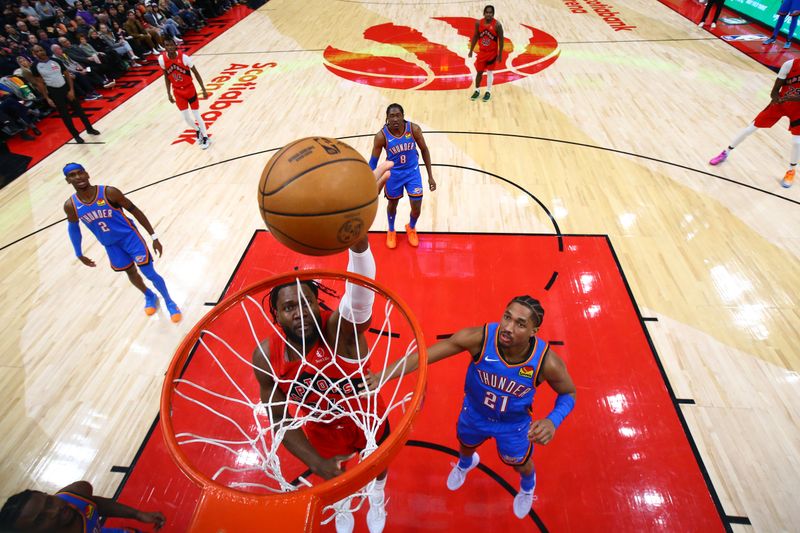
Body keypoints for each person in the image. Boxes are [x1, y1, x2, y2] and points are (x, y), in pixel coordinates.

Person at [252, 161, 393, 533]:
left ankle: (378, 495)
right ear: (276, 316)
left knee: (378, 465)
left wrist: (358, 241)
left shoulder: (338, 331)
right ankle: (344, 503)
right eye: (288, 306)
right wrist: (312, 459)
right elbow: (279, 412)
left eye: (306, 302)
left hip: (367, 416)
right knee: (334, 476)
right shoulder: (267, 356)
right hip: (322, 426)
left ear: (320, 305)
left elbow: (359, 300)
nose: (300, 312)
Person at [363, 296, 577, 519]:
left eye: (520, 324)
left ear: (534, 331)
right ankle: (465, 465)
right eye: (507, 317)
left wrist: (553, 420)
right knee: (465, 447)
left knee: (521, 465)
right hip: (475, 413)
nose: (508, 327)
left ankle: (527, 487)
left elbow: (569, 392)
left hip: (513, 426)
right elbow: (423, 357)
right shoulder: (479, 339)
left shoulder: (545, 362)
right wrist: (382, 376)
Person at [62, 163, 183, 322]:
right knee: (130, 272)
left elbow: (136, 211)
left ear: (87, 174)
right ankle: (149, 295)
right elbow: (74, 229)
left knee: (149, 273)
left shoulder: (109, 192)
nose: (78, 177)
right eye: (72, 175)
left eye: (80, 173)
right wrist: (78, 253)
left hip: (130, 239)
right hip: (111, 245)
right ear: (67, 180)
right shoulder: (71, 205)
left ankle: (169, 302)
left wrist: (154, 237)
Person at [709, 58, 800, 188]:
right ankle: (725, 152)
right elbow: (775, 89)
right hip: (781, 103)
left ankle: (791, 170)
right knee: (749, 129)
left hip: (798, 109)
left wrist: (791, 98)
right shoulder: (790, 64)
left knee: (797, 142)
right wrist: (775, 97)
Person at [368, 103, 435, 249]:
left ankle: (411, 227)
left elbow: (424, 150)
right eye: (392, 116)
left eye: (398, 115)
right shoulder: (381, 136)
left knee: (416, 207)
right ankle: (391, 230)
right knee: (392, 204)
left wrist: (430, 176)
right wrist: (367, 181)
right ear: (387, 118)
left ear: (403, 116)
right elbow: (373, 162)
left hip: (412, 172)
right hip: (394, 174)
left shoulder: (414, 129)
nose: (395, 119)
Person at [0, 480, 166, 532]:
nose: (55, 510)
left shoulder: (75, 495)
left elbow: (95, 504)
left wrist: (137, 514)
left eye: (49, 501)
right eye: (41, 519)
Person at [28, 44, 100, 143]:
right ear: (34, 53)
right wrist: (47, 98)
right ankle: (76, 135)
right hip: (54, 91)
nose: (40, 52)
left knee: (79, 110)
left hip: (65, 87)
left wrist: (71, 90)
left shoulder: (56, 61)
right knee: (65, 115)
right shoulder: (35, 66)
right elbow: (40, 84)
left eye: (41, 50)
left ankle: (89, 129)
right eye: (37, 51)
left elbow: (67, 75)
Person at [157, 38, 210, 149]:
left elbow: (196, 73)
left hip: (189, 89)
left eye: (172, 45)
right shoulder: (162, 59)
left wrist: (203, 89)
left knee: (196, 114)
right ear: (165, 47)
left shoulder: (184, 58)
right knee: (186, 118)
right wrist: (168, 93)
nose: (170, 47)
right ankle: (198, 130)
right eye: (167, 45)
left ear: (175, 46)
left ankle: (205, 137)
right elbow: (166, 76)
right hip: (177, 91)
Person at [468, 5, 503, 102]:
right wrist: (471, 50)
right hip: (482, 53)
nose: (488, 14)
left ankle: (488, 91)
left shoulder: (497, 25)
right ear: (484, 13)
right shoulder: (478, 23)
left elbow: (501, 40)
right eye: (487, 12)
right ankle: (477, 90)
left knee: (489, 72)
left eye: (490, 12)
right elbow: (475, 36)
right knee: (479, 72)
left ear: (493, 14)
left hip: (492, 53)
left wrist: (500, 55)